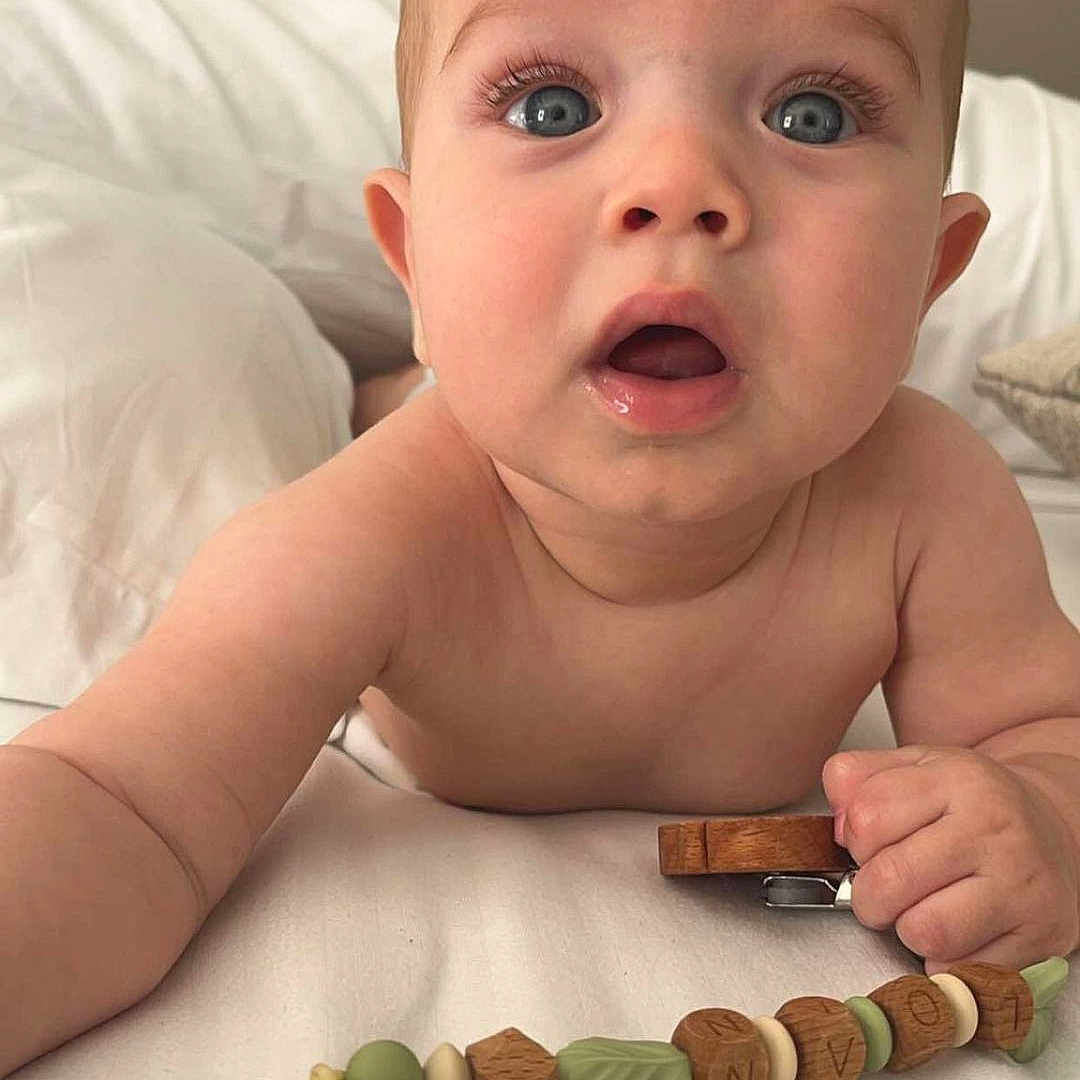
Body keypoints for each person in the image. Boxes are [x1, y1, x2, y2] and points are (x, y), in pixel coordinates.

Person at [3, 0, 1079, 1072]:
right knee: (371, 416)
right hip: (412, 447)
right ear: (413, 257)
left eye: (812, 116)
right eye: (552, 106)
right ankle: (387, 382)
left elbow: (1046, 729)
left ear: (930, 277)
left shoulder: (928, 500)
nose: (677, 185)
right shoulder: (362, 538)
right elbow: (122, 799)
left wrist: (1041, 817)